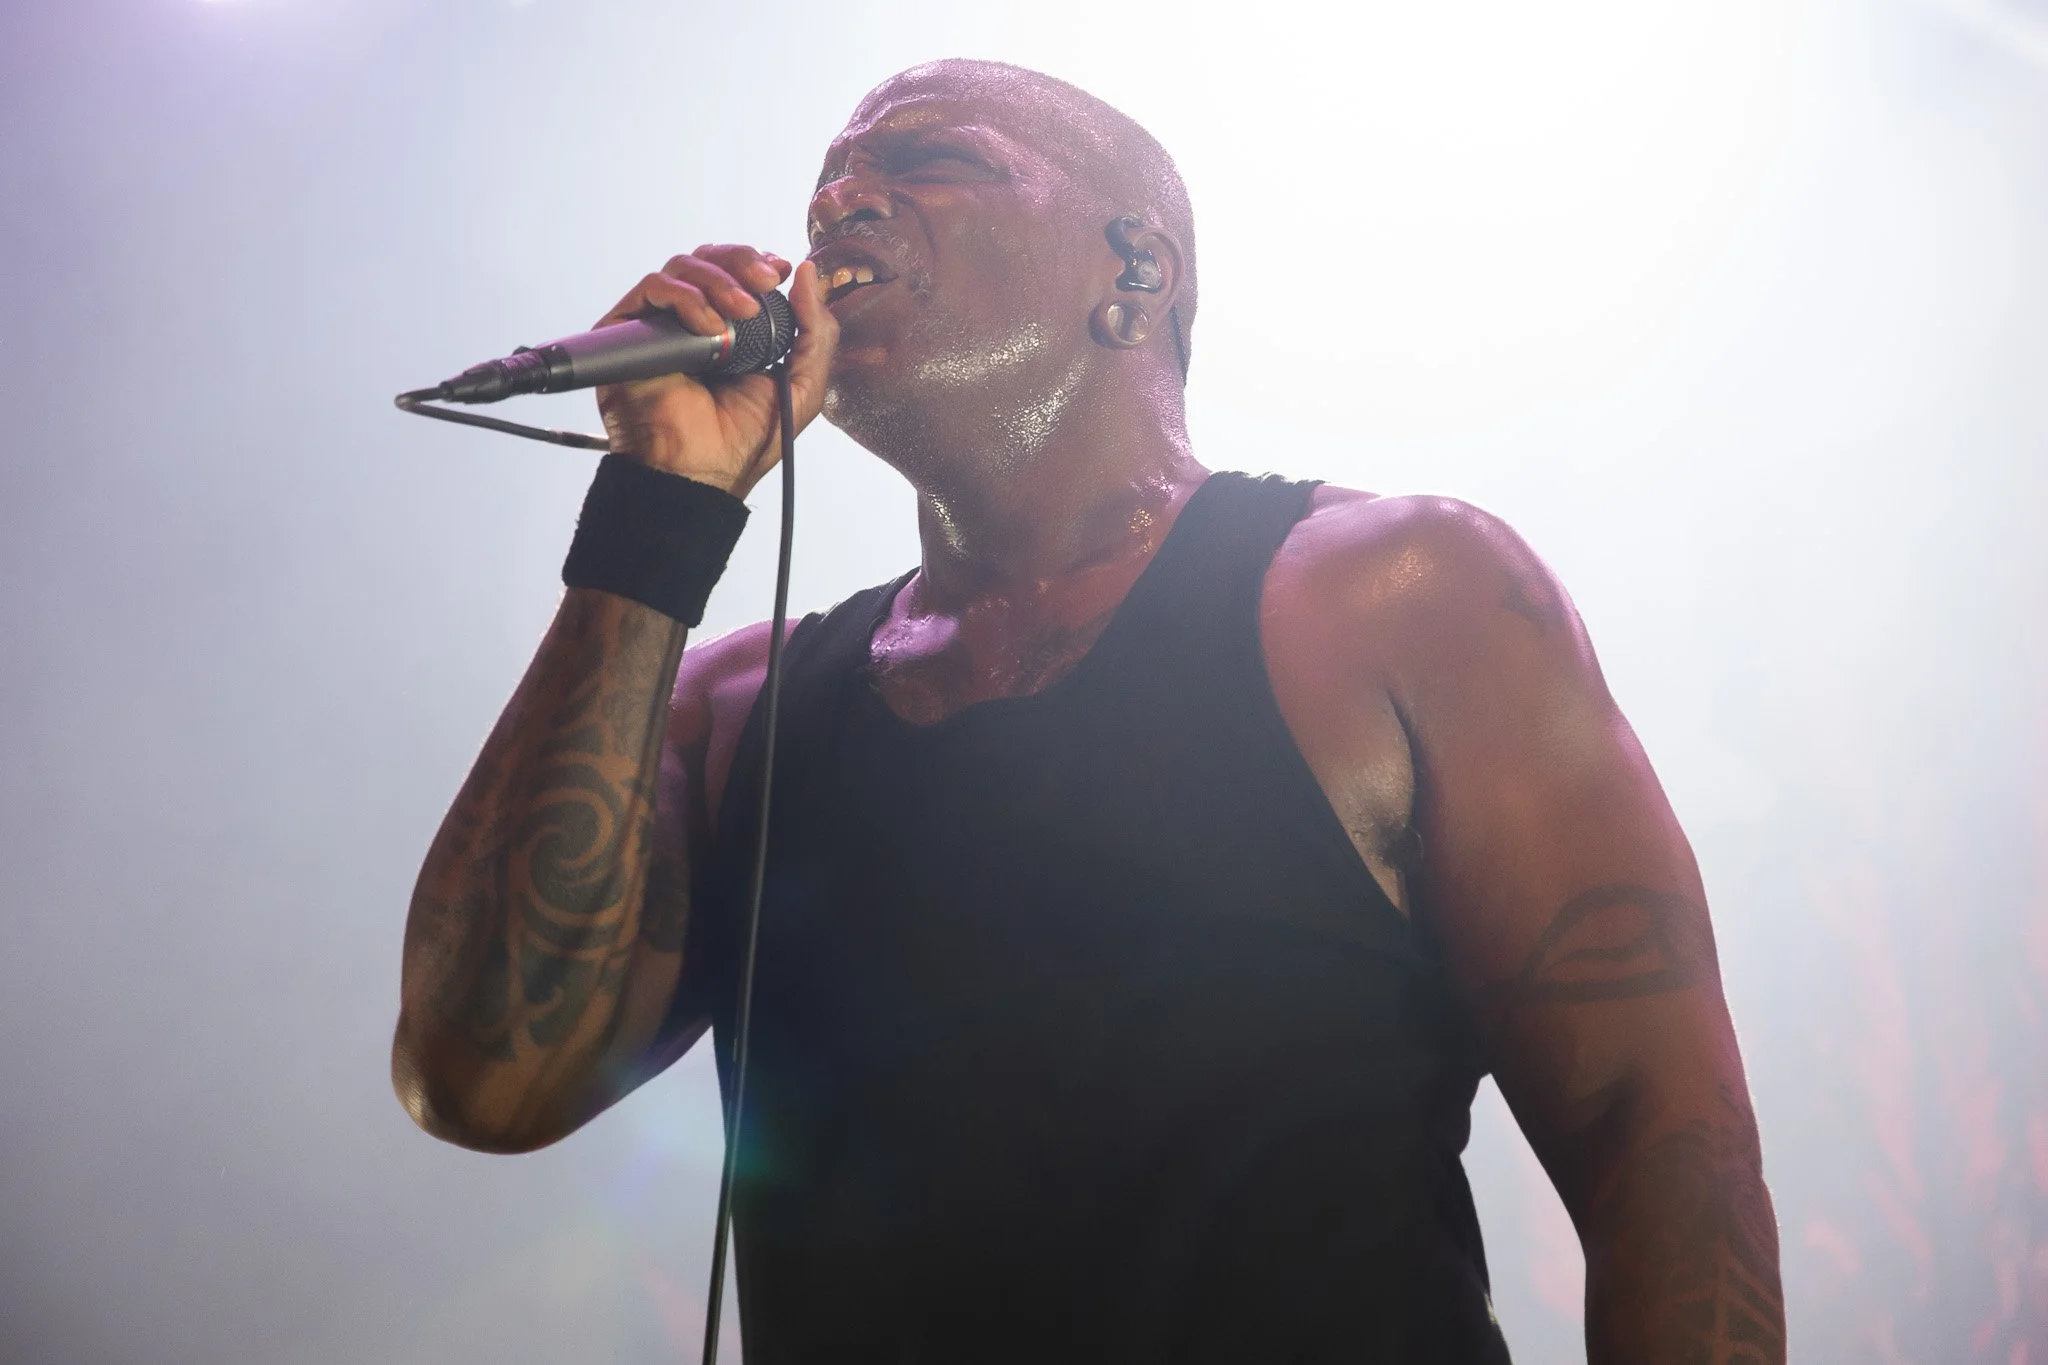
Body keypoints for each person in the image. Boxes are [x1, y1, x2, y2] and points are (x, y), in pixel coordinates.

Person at [392, 58, 1785, 1364]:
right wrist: (657, 512)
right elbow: (480, 1080)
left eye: (927, 161)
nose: (835, 207)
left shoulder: (1394, 595)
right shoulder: (739, 706)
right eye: (824, 184)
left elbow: (1656, 1135)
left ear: (1137, 269)